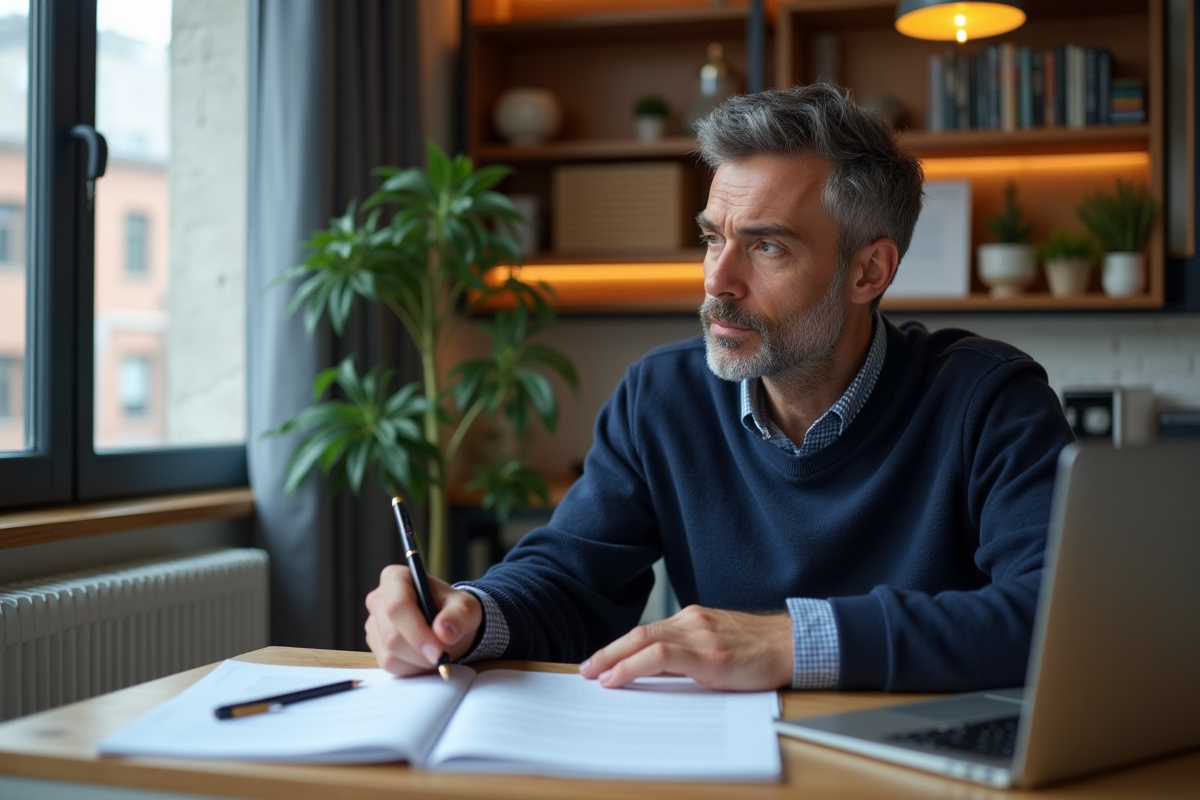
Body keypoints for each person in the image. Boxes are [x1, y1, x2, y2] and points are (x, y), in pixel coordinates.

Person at [364, 84, 1076, 693]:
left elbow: (1057, 612)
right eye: (712, 239)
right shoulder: (660, 397)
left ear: (869, 272)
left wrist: (790, 643)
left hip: (924, 766)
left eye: (766, 246)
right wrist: (471, 616)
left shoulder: (989, 398)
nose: (717, 281)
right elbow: (573, 578)